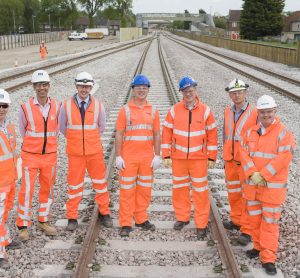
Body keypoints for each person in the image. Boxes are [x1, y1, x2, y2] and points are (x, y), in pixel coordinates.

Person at [239, 95, 295, 275]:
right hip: (253, 188)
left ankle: (268, 258)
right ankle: (257, 247)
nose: (266, 115)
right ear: (258, 113)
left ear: (275, 111)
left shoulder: (284, 134)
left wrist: (262, 175)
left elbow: (283, 158)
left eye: (269, 112)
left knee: (270, 224)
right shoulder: (249, 133)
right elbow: (243, 153)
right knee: (254, 220)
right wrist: (252, 173)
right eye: (263, 112)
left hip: (271, 190)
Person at [162, 76, 218, 239]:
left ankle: (201, 224)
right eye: (185, 91)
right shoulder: (174, 110)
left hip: (199, 159)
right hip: (179, 158)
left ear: (195, 90)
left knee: (200, 192)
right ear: (181, 92)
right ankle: (182, 217)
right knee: (180, 190)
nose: (188, 93)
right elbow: (166, 132)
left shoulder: (206, 111)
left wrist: (211, 157)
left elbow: (212, 135)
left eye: (191, 90)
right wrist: (166, 154)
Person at [59, 71, 112, 231]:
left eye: (87, 86)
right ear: (76, 86)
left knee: (100, 184)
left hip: (94, 151)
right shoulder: (65, 106)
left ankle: (105, 212)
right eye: (81, 86)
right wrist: (77, 140)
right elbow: (62, 127)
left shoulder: (98, 105)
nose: (84, 89)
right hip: (75, 153)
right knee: (74, 186)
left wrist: (88, 140)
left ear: (91, 87)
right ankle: (72, 217)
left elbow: (101, 127)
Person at [115, 74, 161, 237]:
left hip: (147, 158)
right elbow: (119, 134)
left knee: (144, 189)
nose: (141, 90)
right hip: (129, 158)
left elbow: (156, 134)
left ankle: (141, 218)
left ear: (148, 90)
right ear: (133, 90)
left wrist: (157, 155)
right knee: (127, 190)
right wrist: (118, 156)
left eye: (144, 87)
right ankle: (126, 222)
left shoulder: (154, 111)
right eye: (138, 87)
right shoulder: (125, 111)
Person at [17, 70, 60, 241]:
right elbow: (23, 130)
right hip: (30, 156)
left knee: (47, 190)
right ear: (33, 87)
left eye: (44, 85)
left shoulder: (57, 106)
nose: (41, 88)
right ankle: (23, 225)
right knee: (26, 191)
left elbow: (57, 129)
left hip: (50, 156)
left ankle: (43, 220)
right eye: (38, 85)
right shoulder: (25, 108)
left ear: (48, 86)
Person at [222, 78, 258, 246]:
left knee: (248, 197)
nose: (237, 95)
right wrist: (225, 156)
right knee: (234, 194)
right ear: (230, 95)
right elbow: (226, 135)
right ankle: (236, 220)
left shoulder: (255, 113)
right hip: (230, 161)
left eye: (239, 92)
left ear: (245, 93)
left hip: (246, 163)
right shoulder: (228, 112)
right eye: (233, 93)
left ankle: (247, 230)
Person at [0, 89, 21, 268]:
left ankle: (5, 240)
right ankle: (0, 254)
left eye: (4, 106)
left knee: (5, 213)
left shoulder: (10, 127)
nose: (1, 109)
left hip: (10, 179)